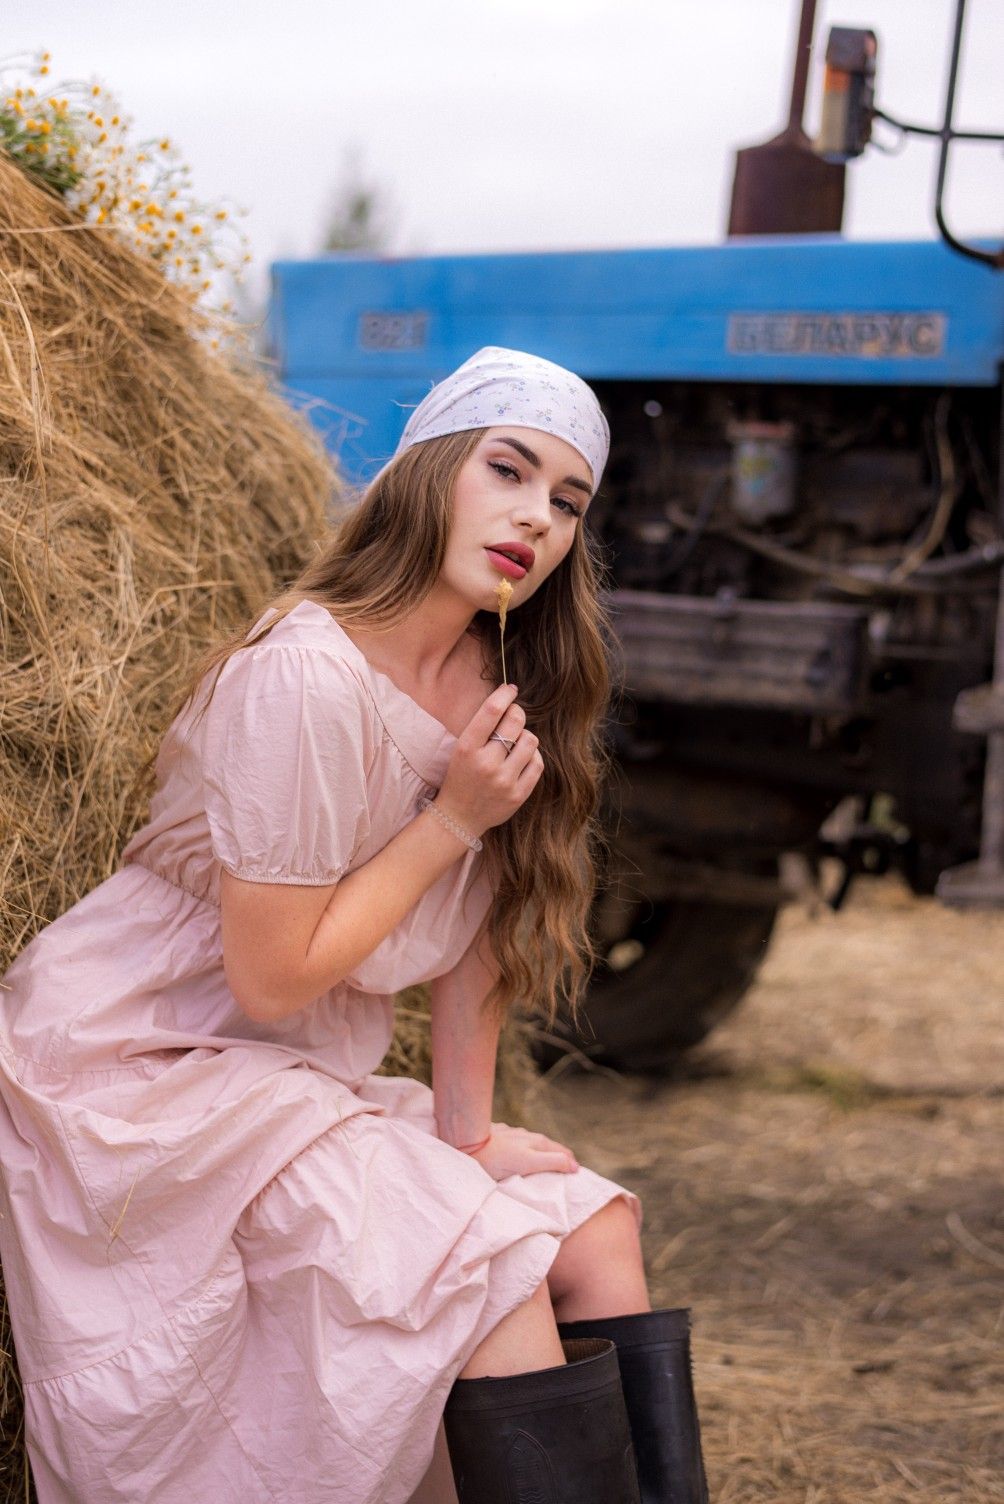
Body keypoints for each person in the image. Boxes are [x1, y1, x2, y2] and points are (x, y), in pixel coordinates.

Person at [0, 347, 707, 1504]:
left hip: (281, 1074)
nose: (535, 515)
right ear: (431, 471)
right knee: (485, 1267)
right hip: (141, 1062)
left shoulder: (499, 673)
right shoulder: (303, 677)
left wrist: (466, 1131)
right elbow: (273, 976)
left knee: (589, 1232)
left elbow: (485, 932)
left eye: (567, 501)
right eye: (508, 470)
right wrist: (451, 819)